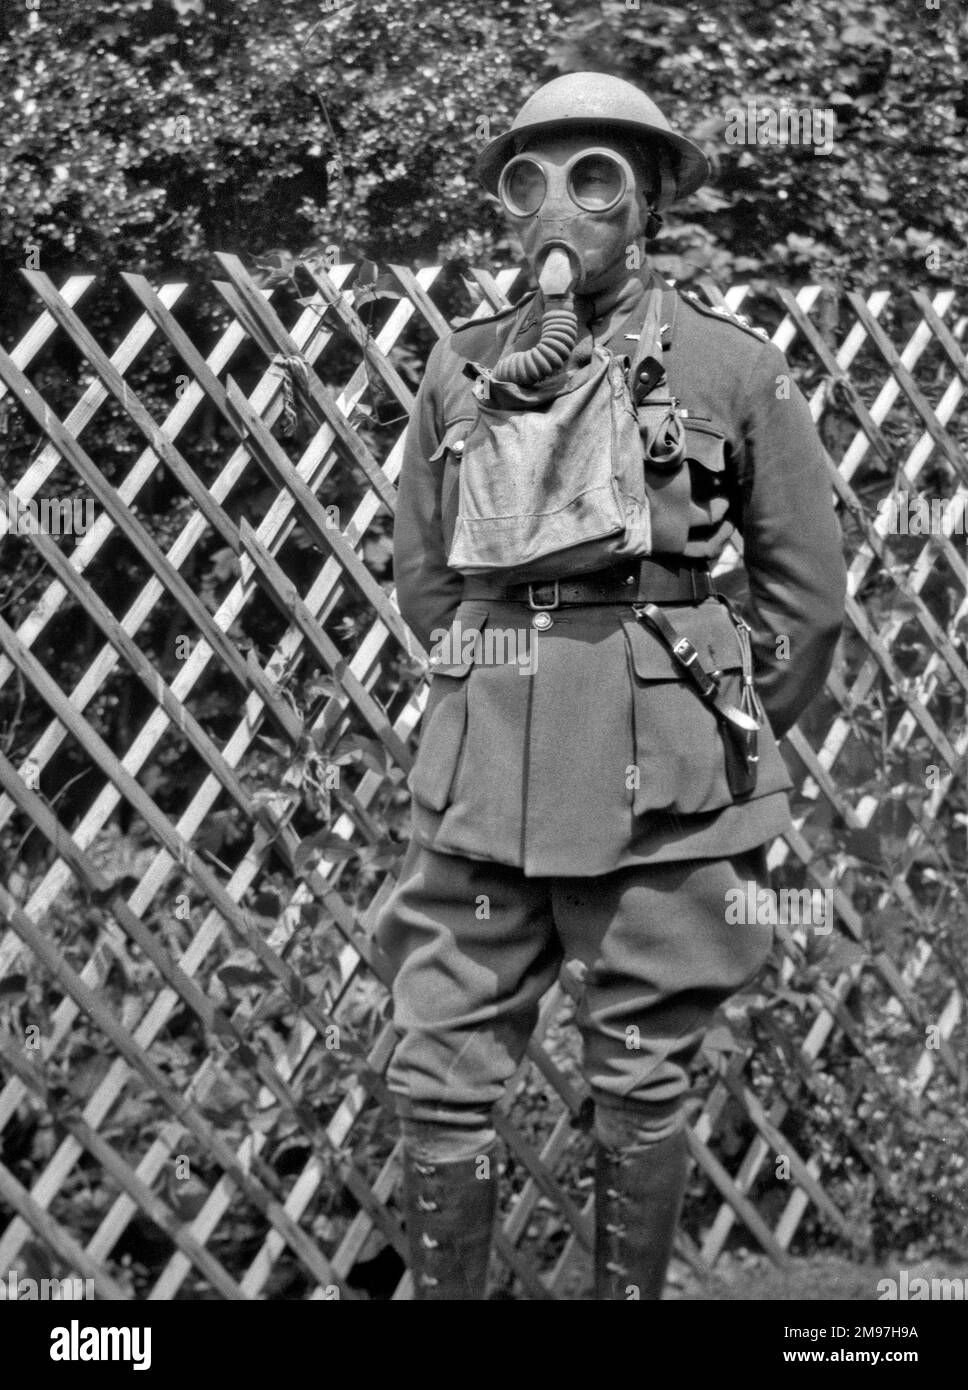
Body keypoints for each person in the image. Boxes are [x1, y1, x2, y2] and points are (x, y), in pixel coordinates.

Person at [374, 71, 847, 1300]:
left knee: (642, 1065)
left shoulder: (727, 368)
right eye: (529, 181)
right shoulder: (461, 365)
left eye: (595, 180)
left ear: (649, 204)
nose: (560, 212)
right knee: (440, 1063)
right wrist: (489, 700)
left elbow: (805, 599)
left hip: (665, 791)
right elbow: (426, 576)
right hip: (485, 785)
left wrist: (706, 737)